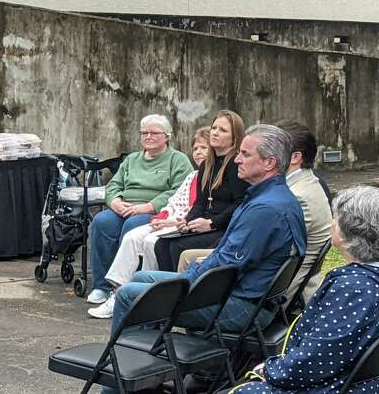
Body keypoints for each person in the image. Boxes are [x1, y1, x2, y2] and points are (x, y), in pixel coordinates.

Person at [109, 124, 306, 338]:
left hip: (241, 307)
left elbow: (225, 268)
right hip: (243, 296)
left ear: (269, 163)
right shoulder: (273, 197)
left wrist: (185, 280)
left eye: (245, 154)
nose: (237, 159)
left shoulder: (265, 210)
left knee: (129, 294)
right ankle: (146, 353)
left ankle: (124, 363)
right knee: (141, 276)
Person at [228, 183, 379, 393]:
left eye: (335, 218)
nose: (331, 223)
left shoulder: (354, 288)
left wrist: (271, 370)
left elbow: (319, 358)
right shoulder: (364, 280)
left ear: (348, 230)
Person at [177, 121, 332, 306]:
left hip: (261, 294)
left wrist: (210, 260)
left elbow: (254, 255)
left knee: (165, 278)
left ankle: (171, 313)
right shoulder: (288, 189)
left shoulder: (290, 197)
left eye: (246, 153)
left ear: (292, 157)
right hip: (259, 284)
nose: (237, 160)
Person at [87, 126, 210, 318]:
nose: (148, 136)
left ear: (167, 137)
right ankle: (106, 288)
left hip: (151, 210)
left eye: (154, 133)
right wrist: (115, 202)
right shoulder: (132, 159)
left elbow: (174, 195)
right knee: (102, 221)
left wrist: (150, 208)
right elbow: (114, 185)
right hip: (132, 209)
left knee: (134, 230)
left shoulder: (178, 160)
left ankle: (138, 294)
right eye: (144, 133)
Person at [153, 110, 249, 271]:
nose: (215, 133)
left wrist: (211, 223)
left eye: (223, 130)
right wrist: (186, 221)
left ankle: (185, 291)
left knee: (179, 247)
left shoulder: (235, 164)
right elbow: (200, 202)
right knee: (161, 244)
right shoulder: (207, 165)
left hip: (224, 228)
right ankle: (169, 290)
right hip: (203, 223)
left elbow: (241, 204)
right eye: (214, 128)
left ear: (235, 138)